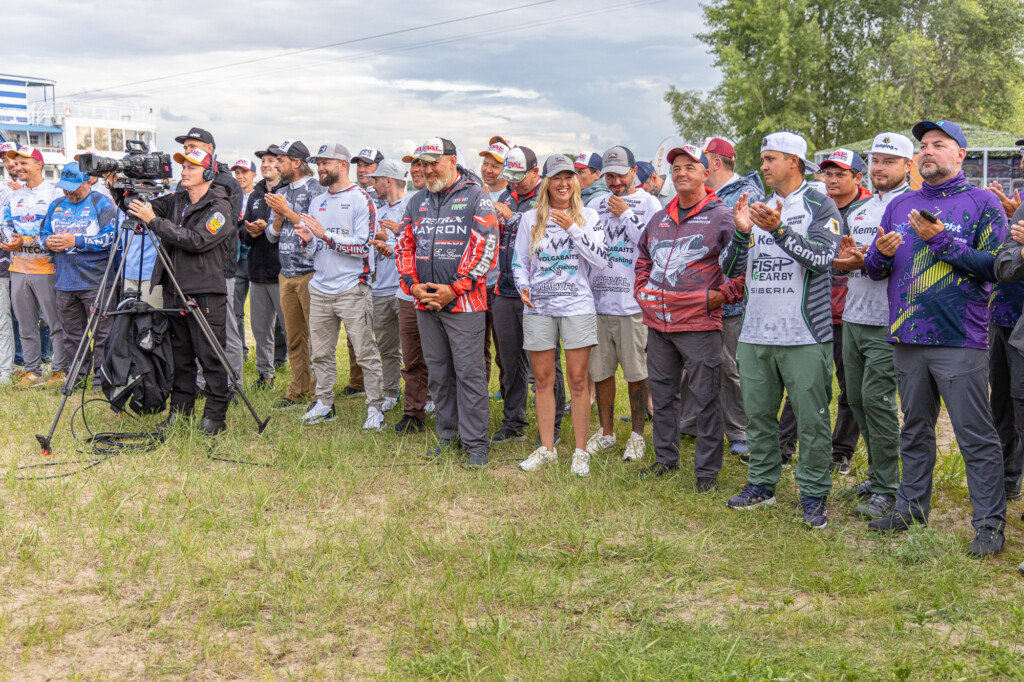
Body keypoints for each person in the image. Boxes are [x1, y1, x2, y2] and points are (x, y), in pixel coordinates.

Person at [864, 119, 1008, 558]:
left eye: (938, 144)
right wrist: (878, 255)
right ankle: (910, 509)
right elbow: (874, 270)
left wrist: (941, 240)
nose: (928, 151)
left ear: (960, 154)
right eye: (923, 145)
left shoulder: (983, 203)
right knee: (914, 430)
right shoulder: (900, 204)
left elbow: (995, 267)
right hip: (907, 338)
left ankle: (989, 526)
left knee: (974, 437)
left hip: (960, 339)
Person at [725, 131, 841, 530]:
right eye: (762, 159)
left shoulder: (820, 204)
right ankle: (762, 484)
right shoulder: (758, 204)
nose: (763, 166)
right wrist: (742, 232)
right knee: (758, 416)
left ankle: (813, 493)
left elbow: (822, 259)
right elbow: (729, 269)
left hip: (804, 334)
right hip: (755, 332)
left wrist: (778, 230)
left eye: (770, 158)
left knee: (811, 420)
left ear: (794, 161)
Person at [634, 144, 749, 487]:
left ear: (705, 173)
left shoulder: (722, 215)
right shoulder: (660, 218)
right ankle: (665, 460)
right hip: (659, 323)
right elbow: (643, 258)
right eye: (676, 168)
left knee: (706, 399)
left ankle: (707, 473)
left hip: (699, 324)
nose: (681, 173)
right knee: (663, 396)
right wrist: (642, 291)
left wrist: (720, 296)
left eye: (689, 167)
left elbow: (743, 270)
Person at [397, 137, 498, 468]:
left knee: (469, 375)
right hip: (425, 304)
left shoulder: (476, 197)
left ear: (452, 162)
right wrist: (412, 286)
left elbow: (486, 247)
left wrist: (455, 289)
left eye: (433, 163)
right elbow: (404, 246)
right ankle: (447, 436)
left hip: (464, 304)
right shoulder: (416, 202)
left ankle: (476, 445)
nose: (427, 170)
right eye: (422, 164)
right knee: (439, 375)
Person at [123, 149, 235, 435]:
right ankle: (180, 414)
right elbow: (136, 207)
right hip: (173, 290)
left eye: (191, 167)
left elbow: (196, 240)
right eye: (183, 166)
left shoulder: (220, 207)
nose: (184, 171)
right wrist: (122, 184)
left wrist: (154, 221)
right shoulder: (177, 200)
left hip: (205, 293)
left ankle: (214, 417)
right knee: (180, 357)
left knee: (211, 358)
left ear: (208, 173)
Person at [831, 133, 914, 519]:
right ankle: (879, 475)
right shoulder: (861, 209)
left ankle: (889, 487)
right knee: (857, 400)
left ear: (908, 166)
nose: (880, 168)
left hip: (888, 321)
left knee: (878, 401)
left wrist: (865, 260)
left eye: (889, 161)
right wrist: (845, 259)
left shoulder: (913, 206)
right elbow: (846, 259)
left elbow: (908, 263)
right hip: (853, 316)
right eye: (876, 160)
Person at [513, 154, 608, 475]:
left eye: (569, 176)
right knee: (542, 380)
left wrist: (573, 229)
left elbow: (601, 260)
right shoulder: (530, 219)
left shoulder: (588, 216)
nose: (563, 183)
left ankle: (580, 452)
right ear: (546, 182)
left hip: (577, 307)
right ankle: (547, 448)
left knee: (578, 380)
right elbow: (519, 262)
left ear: (576, 181)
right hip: (539, 308)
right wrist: (523, 286)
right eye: (557, 177)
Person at [778, 148, 870, 474]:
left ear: (858, 178)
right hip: (813, 310)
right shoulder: (813, 205)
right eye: (828, 173)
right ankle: (783, 447)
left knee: (850, 388)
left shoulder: (869, 210)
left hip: (851, 313)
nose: (832, 179)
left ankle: (841, 451)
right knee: (801, 382)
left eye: (840, 174)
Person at [680, 136, 762, 457]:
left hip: (729, 299)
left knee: (728, 366)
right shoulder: (702, 194)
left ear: (714, 163)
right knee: (691, 362)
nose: (692, 169)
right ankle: (687, 422)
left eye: (698, 161)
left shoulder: (746, 195)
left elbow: (750, 252)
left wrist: (729, 291)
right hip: (696, 294)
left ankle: (738, 430)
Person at [296, 142, 385, 429]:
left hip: (352, 288)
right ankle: (324, 404)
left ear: (343, 165)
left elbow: (362, 247)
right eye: (318, 163)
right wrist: (308, 241)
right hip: (320, 287)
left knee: (365, 353)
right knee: (321, 353)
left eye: (326, 163)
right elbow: (313, 251)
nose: (320, 168)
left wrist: (325, 234)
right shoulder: (317, 202)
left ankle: (376, 409)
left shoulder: (362, 200)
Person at [585, 146, 663, 462]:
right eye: (609, 176)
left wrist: (626, 214)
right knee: (601, 371)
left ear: (633, 171)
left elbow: (654, 245)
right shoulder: (594, 204)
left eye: (620, 175)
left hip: (632, 305)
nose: (615, 182)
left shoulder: (649, 203)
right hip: (598, 302)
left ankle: (637, 436)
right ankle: (606, 433)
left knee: (636, 373)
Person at [491, 145, 566, 445]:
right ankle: (514, 422)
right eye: (509, 177)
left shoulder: (547, 197)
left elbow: (550, 235)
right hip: (505, 289)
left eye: (519, 177)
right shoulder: (506, 195)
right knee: (510, 362)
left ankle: (554, 426)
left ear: (536, 172)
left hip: (539, 292)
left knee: (546, 362)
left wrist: (512, 218)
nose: (513, 183)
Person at [39, 162, 117, 389]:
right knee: (72, 335)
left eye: (74, 187)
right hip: (65, 282)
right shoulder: (56, 205)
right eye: (65, 187)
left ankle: (102, 381)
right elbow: (42, 234)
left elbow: (111, 238)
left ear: (88, 181)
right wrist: (48, 243)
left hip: (97, 282)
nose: (70, 192)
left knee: (102, 335)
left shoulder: (102, 203)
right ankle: (77, 378)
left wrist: (77, 241)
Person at [264, 140, 325, 409]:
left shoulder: (316, 190)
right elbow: (271, 235)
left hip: (311, 273)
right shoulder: (281, 191)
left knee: (317, 338)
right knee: (294, 338)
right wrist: (278, 217)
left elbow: (316, 229)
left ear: (297, 163)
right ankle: (297, 391)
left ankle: (319, 395)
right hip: (285, 273)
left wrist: (286, 211)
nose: (277, 164)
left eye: (281, 160)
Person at [1, 145, 65, 388]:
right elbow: (6, 223)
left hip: (47, 268)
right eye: (16, 164)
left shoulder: (55, 193)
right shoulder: (14, 196)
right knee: (26, 324)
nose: (17, 168)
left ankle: (59, 370)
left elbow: (57, 229)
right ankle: (32, 371)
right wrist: (10, 240)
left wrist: (26, 240)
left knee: (54, 323)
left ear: (39, 164)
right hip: (18, 268)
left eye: (23, 163)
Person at [992, 144, 1024, 505]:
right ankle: (1006, 478)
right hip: (1003, 317)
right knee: (1002, 403)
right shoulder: (1020, 206)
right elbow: (1004, 263)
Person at [241, 147, 287, 389]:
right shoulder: (255, 195)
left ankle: (306, 378)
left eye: (271, 160)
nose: (266, 164)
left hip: (283, 272)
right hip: (257, 271)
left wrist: (269, 229)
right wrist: (250, 231)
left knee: (291, 330)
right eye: (263, 161)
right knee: (261, 330)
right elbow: (242, 232)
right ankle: (265, 376)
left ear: (280, 165)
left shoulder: (288, 192)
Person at [366, 158, 410, 413]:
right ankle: (391, 392)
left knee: (416, 349)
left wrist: (391, 241)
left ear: (389, 181)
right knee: (387, 348)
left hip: (405, 290)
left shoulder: (411, 207)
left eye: (377, 180)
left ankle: (426, 396)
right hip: (380, 289)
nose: (374, 185)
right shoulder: (378, 212)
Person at [231, 158, 258, 362]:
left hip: (257, 257)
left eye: (244, 172)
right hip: (237, 258)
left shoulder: (261, 196)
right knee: (236, 309)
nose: (240, 176)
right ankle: (240, 350)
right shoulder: (232, 196)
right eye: (237, 173)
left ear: (253, 175)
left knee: (267, 312)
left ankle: (278, 356)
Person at [479, 137, 511, 201]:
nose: (488, 170)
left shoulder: (515, 197)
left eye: (495, 166)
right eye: (485, 164)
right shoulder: (476, 194)